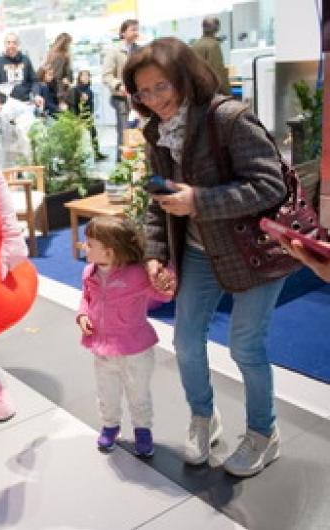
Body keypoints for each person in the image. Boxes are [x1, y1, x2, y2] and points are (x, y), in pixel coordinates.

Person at [125, 37, 288, 477]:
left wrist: (200, 200)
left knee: (246, 347)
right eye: (144, 92)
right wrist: (157, 254)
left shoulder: (229, 118)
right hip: (199, 251)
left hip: (254, 251)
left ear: (184, 78)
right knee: (184, 341)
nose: (154, 99)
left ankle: (262, 433)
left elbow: (272, 186)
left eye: (162, 86)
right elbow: (159, 197)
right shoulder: (156, 133)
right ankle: (204, 416)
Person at [76, 216, 173, 456]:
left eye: (89, 243)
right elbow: (86, 299)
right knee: (106, 392)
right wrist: (82, 316)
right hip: (102, 348)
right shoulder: (89, 272)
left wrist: (165, 278)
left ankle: (142, 430)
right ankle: (110, 426)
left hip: (136, 350)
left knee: (138, 394)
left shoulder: (138, 274)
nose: (84, 246)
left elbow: (164, 295)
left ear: (109, 252)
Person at [102, 19, 140, 161]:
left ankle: (137, 165)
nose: (136, 32)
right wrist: (119, 86)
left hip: (138, 98)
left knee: (137, 130)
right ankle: (122, 164)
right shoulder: (114, 51)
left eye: (137, 29)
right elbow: (106, 75)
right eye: (133, 29)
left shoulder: (140, 50)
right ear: (123, 33)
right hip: (121, 98)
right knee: (124, 130)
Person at [0, 33, 41, 111]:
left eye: (14, 42)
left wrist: (36, 95)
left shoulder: (25, 60)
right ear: (4, 44)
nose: (11, 45)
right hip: (5, 106)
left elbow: (34, 81)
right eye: (8, 42)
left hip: (25, 104)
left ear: (18, 44)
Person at [72, 70, 108, 161]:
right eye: (84, 76)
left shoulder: (89, 89)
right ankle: (76, 157)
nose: (86, 78)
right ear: (79, 78)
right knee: (77, 137)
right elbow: (77, 101)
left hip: (88, 115)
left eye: (88, 76)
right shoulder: (76, 89)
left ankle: (96, 153)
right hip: (79, 116)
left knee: (93, 134)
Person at [192, 17, 230, 96]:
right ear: (217, 29)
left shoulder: (195, 45)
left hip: (198, 92)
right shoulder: (213, 45)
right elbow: (218, 72)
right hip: (211, 93)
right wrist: (227, 93)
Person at [44, 32, 74, 109]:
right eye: (69, 43)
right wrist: (61, 99)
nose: (69, 46)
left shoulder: (52, 53)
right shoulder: (61, 56)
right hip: (60, 93)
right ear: (65, 44)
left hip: (54, 90)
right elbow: (58, 77)